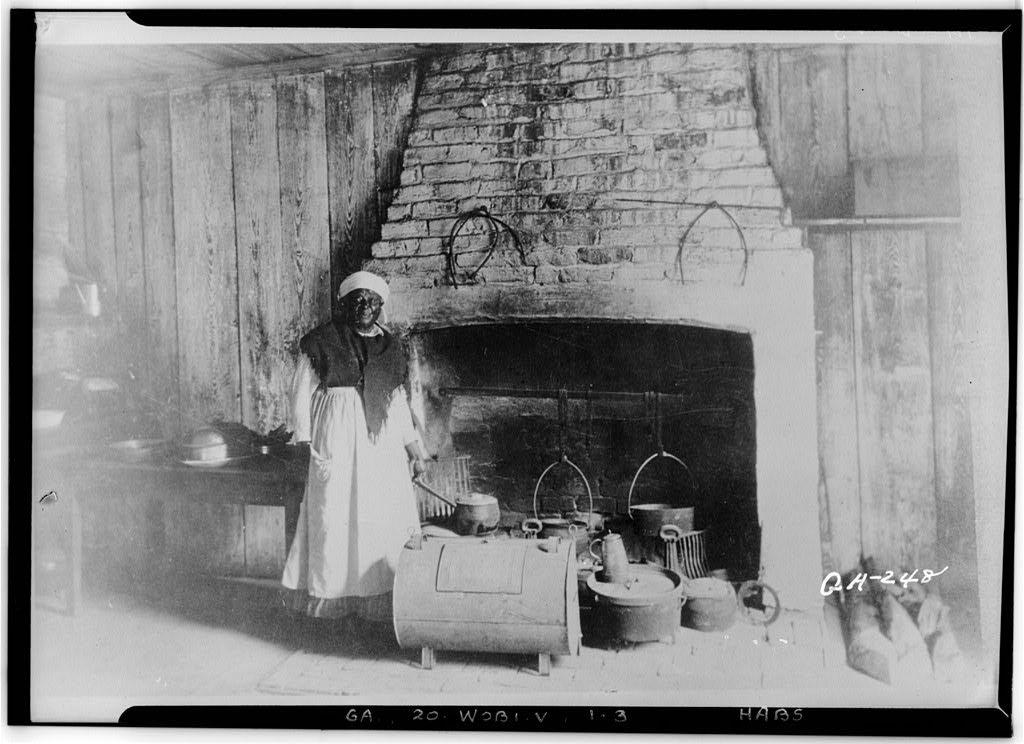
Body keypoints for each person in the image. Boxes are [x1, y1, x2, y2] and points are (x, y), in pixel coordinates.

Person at [282, 271, 429, 627]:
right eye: (357, 300)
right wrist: (304, 440)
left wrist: (413, 448)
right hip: (337, 435)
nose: (365, 306)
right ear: (345, 305)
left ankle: (378, 604)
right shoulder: (322, 341)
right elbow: (300, 392)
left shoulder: (392, 347)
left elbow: (396, 402)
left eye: (372, 301)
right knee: (335, 515)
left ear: (381, 306)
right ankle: (333, 606)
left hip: (380, 445)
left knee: (380, 516)